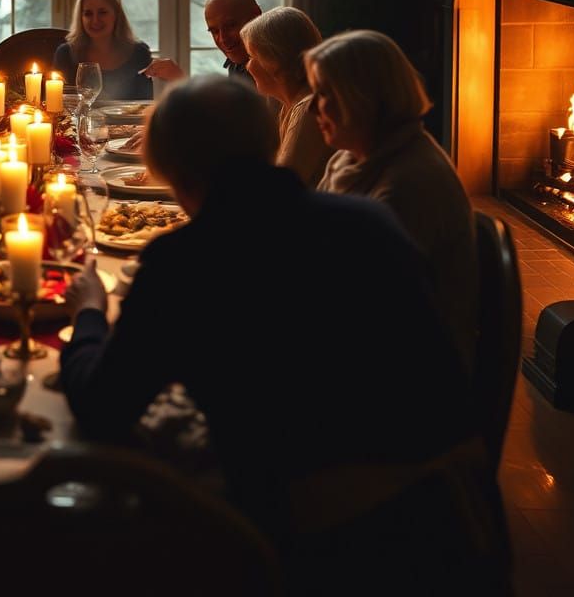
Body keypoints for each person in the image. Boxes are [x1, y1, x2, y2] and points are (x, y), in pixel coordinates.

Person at [60, 76, 508, 594]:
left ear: (170, 170)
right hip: (459, 527)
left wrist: (90, 313)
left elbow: (101, 407)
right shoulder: (370, 221)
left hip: (315, 551)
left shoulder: (182, 261)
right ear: (268, 142)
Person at [306, 30, 479, 373]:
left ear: (362, 98)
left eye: (323, 93)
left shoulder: (410, 183)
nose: (311, 106)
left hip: (406, 369)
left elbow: (362, 305)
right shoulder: (349, 159)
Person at [240, 7, 332, 187]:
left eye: (251, 57)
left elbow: (278, 191)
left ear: (274, 60)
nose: (247, 67)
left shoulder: (307, 108)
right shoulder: (289, 106)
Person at [53, 0, 153, 101]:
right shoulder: (66, 54)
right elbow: (58, 103)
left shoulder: (139, 53)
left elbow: (147, 103)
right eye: (88, 14)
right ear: (81, 19)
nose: (95, 20)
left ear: (116, 15)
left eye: (102, 12)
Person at [144, 0, 262, 83]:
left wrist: (181, 81)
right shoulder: (239, 62)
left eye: (231, 25)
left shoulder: (269, 66)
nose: (223, 39)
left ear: (255, 15)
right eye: (214, 31)